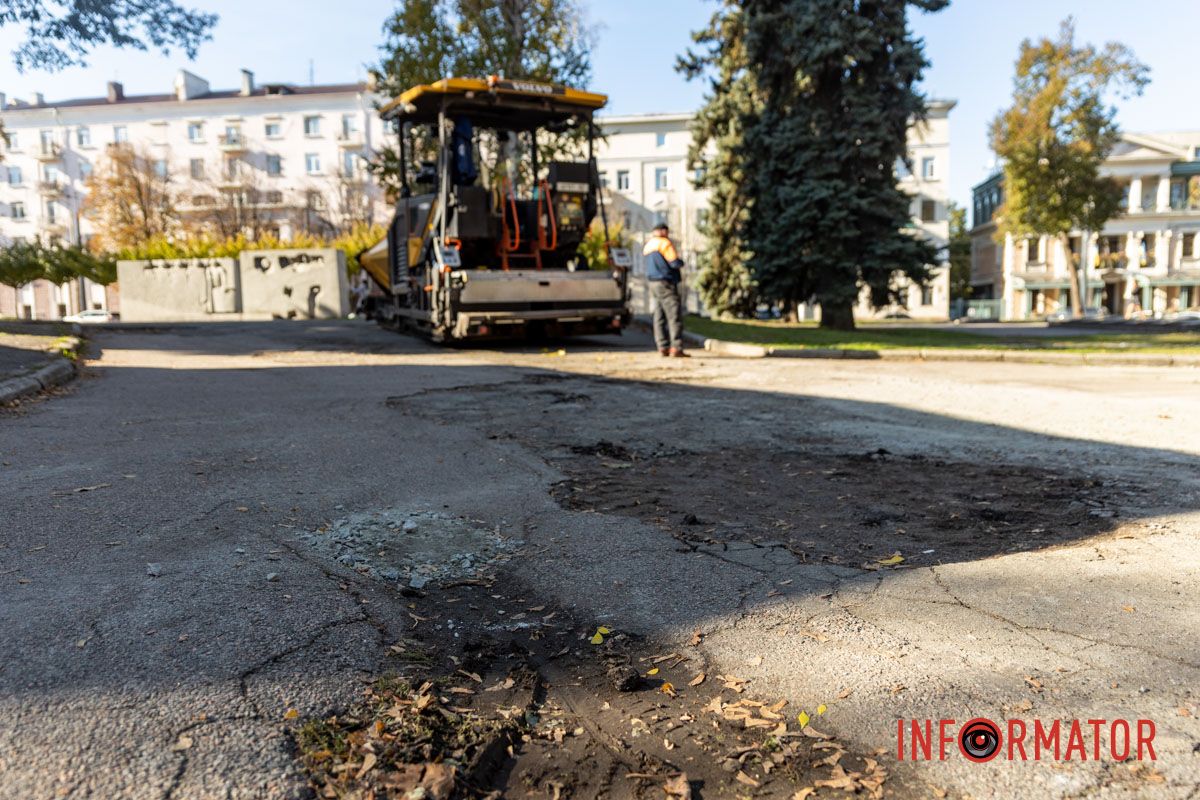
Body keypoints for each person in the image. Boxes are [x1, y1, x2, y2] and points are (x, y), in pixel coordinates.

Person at [643, 223, 688, 357]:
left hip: (653, 283)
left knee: (659, 315)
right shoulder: (664, 243)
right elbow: (674, 262)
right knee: (674, 314)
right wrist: (681, 262)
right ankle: (676, 347)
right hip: (666, 282)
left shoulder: (648, 245)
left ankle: (662, 346)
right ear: (663, 231)